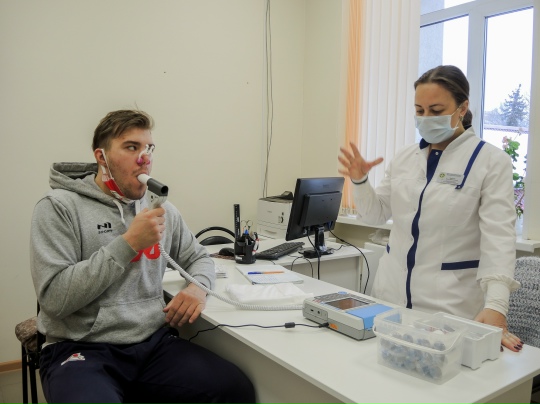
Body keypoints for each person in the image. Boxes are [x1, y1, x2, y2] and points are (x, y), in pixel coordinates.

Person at [30, 110, 256, 403]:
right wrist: (128, 244)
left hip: (152, 343)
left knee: (234, 389)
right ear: (102, 157)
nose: (144, 158)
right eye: (131, 147)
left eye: (149, 148)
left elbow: (199, 257)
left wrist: (198, 287)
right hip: (81, 347)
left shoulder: (160, 209)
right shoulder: (58, 207)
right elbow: (54, 299)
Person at [338, 65, 522, 352]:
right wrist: (360, 181)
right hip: (390, 298)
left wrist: (497, 306)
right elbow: (375, 214)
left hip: (449, 305)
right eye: (419, 110)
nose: (426, 118)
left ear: (462, 108)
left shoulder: (490, 161)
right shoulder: (405, 157)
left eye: (436, 110)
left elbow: (499, 239)